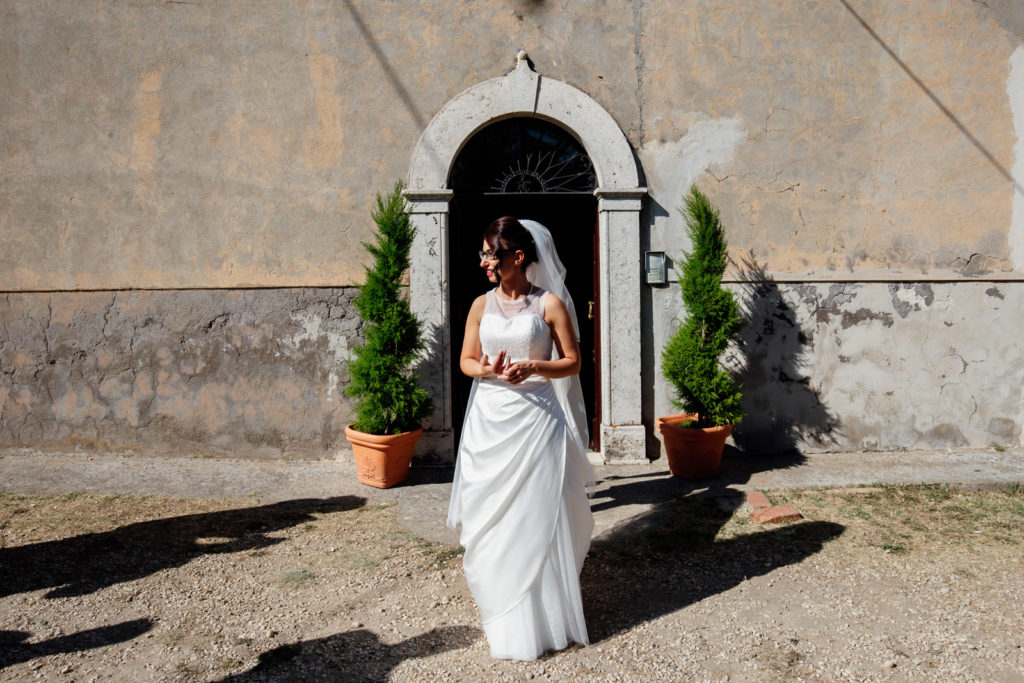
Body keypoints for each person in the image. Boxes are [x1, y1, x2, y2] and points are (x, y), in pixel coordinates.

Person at [446, 216, 595, 660]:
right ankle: (501, 610)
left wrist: (534, 367)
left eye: (492, 253)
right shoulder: (479, 305)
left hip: (536, 421)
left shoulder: (549, 304)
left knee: (534, 514)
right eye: (483, 252)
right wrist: (489, 370)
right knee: (490, 515)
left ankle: (545, 619)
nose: (485, 261)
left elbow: (573, 362)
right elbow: (466, 362)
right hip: (489, 420)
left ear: (518, 256)